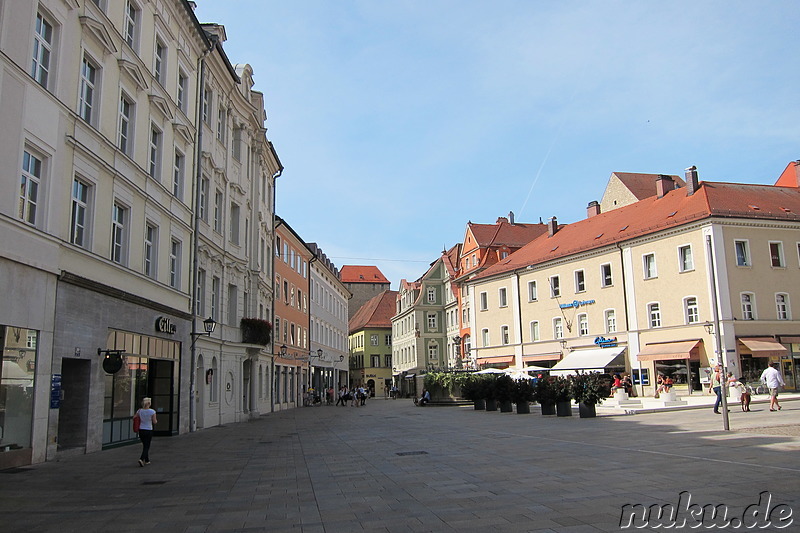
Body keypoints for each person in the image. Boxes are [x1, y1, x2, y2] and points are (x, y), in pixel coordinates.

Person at [135, 397, 157, 467]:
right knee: (147, 446)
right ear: (149, 403)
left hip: (141, 429)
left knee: (145, 445)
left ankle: (147, 460)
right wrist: (156, 421)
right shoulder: (152, 411)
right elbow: (154, 421)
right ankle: (141, 459)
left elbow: (134, 417)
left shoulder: (139, 411)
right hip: (148, 429)